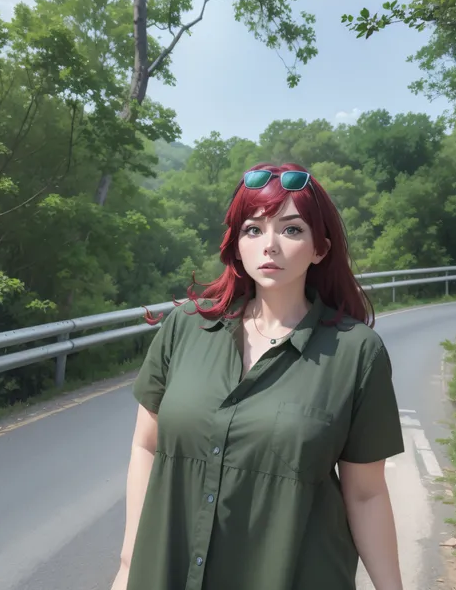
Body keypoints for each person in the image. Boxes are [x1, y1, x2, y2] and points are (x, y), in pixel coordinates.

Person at [111, 163, 405, 590]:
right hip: (165, 574)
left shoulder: (356, 352)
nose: (270, 246)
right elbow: (146, 446)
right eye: (253, 229)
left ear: (319, 248)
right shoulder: (186, 327)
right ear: (236, 245)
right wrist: (128, 564)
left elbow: (365, 493)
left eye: (291, 230)